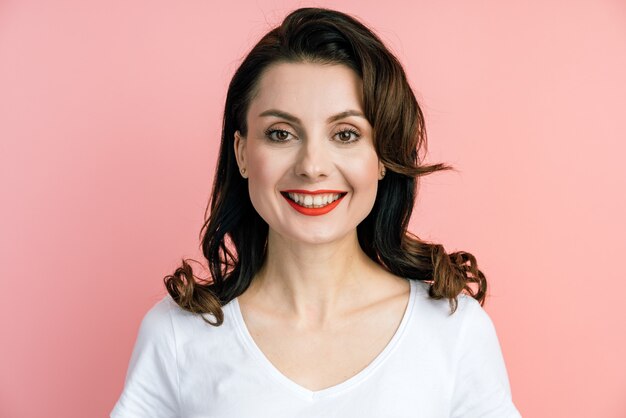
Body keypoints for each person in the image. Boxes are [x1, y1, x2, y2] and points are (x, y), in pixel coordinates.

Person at [111, 7, 521, 418]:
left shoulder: (453, 330)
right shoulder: (176, 335)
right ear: (242, 153)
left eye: (345, 134)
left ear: (382, 157)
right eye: (281, 134)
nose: (312, 165)